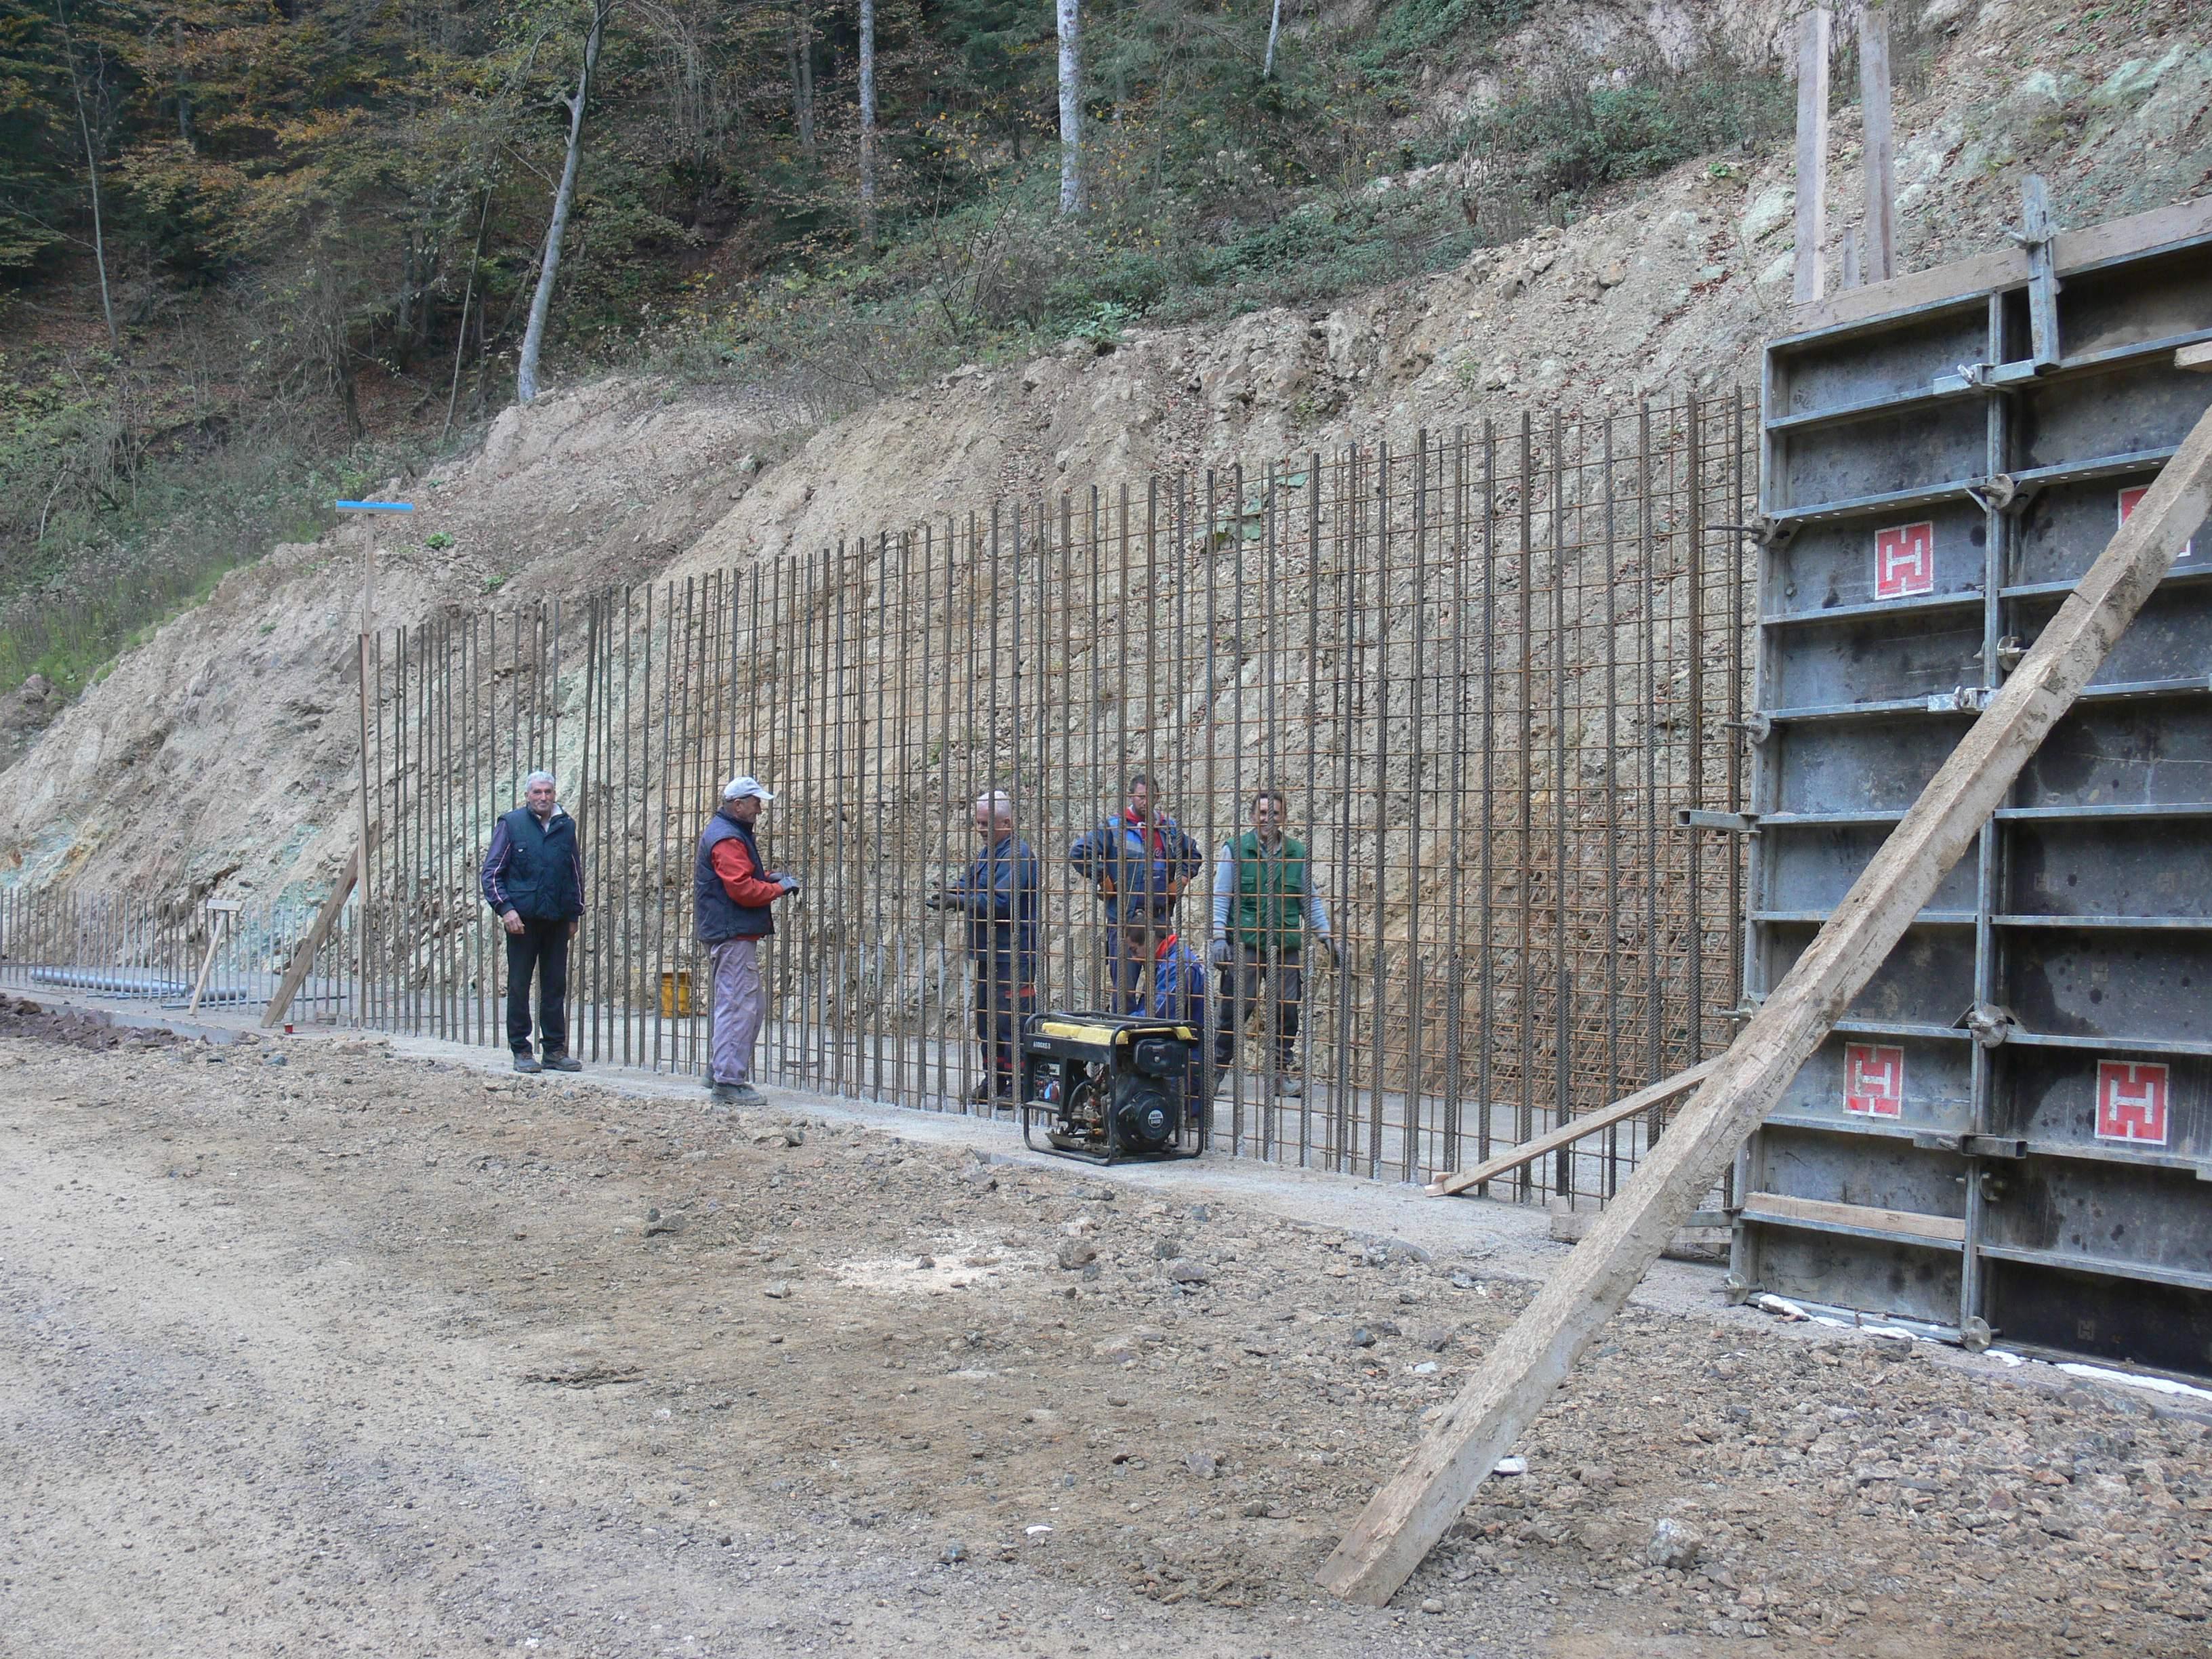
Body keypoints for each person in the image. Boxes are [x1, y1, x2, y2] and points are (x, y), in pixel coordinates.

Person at [1209, 787, 1338, 1097]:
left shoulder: (1296, 853)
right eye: (1263, 813)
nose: (1269, 819)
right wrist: (1217, 937)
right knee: (1235, 1009)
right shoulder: (1236, 849)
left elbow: (1310, 901)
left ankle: (1279, 1075)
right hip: (1247, 943)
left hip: (1285, 945)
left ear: (1284, 817)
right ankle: (1214, 1071)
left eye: (1275, 814)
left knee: (1287, 1011)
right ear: (1253, 816)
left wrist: (1327, 938)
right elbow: (1221, 896)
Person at [695, 775, 801, 1108]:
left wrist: (766, 878)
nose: (760, 807)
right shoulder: (728, 838)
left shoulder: (728, 832)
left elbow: (740, 878)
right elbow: (741, 889)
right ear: (737, 804)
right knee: (739, 1005)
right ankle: (727, 1081)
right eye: (756, 801)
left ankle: (720, 1070)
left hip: (729, 930)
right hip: (732, 932)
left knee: (742, 1005)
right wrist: (778, 888)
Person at [930, 790, 1040, 1105]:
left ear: (1006, 822)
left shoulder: (1017, 856)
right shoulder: (988, 854)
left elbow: (1001, 902)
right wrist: (951, 893)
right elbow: (970, 885)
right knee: (986, 1018)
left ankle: (1016, 1085)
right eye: (977, 823)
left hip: (1013, 953)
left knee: (1010, 1020)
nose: (980, 829)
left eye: (985, 824)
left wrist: (960, 902)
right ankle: (994, 1079)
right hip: (989, 952)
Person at [480, 771, 586, 1074]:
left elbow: (573, 873)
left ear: (555, 794)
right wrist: (506, 909)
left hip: (556, 918)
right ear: (527, 795)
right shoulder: (511, 825)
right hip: (522, 921)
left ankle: (554, 1050)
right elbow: (492, 873)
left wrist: (573, 913)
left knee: (555, 986)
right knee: (519, 985)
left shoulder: (565, 826)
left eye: (548, 792)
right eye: (537, 792)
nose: (543, 797)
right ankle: (522, 1049)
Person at [1069, 773, 1202, 1010]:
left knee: (1163, 982)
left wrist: (1181, 880)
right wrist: (1103, 877)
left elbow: (1193, 855)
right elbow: (1079, 852)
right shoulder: (1113, 827)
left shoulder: (1167, 828)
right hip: (1125, 919)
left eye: (1151, 796)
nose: (1146, 801)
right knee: (1124, 988)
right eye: (1141, 796)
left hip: (1158, 918)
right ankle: (1124, 1036)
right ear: (1132, 796)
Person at [1122, 915, 1209, 1126]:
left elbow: (1160, 1014)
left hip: (1185, 1051)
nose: (1134, 958)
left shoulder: (1176, 965)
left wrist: (1124, 1022)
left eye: (1135, 950)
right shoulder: (1167, 959)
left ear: (1151, 942)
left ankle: (1185, 1114)